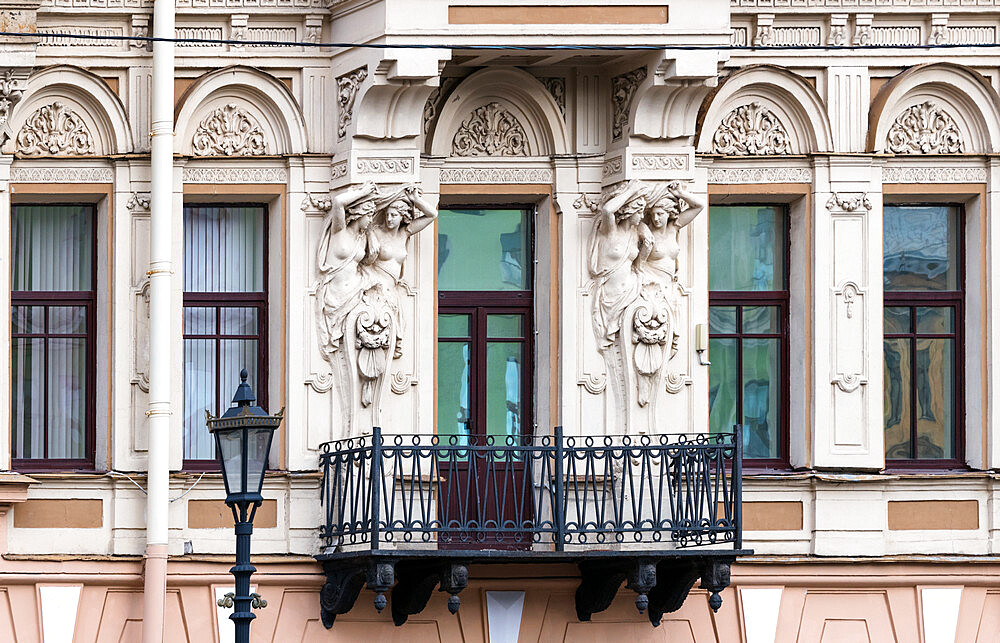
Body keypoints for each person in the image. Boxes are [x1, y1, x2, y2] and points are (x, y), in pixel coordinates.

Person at [316, 181, 379, 357]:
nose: (371, 220)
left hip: (356, 291)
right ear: (359, 213)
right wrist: (364, 191)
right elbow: (338, 203)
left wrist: (372, 236)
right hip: (336, 295)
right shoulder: (339, 230)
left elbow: (367, 263)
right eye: (369, 215)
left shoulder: (363, 238)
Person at [588, 180, 651, 351]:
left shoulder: (635, 234)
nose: (642, 216)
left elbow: (639, 265)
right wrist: (632, 190)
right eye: (639, 211)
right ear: (630, 211)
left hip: (632, 292)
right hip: (611, 296)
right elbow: (608, 210)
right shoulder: (610, 230)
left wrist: (646, 246)